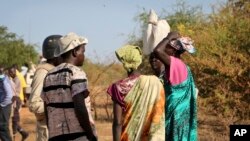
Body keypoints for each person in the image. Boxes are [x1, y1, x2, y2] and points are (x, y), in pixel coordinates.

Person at [41, 32, 97, 141]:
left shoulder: (49, 75)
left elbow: (47, 108)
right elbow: (80, 107)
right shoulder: (76, 72)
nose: (84, 55)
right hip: (78, 136)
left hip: (55, 137)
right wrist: (90, 134)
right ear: (75, 51)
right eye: (83, 51)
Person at [107, 45, 165, 141]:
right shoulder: (155, 82)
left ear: (124, 62)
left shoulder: (119, 87)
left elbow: (117, 122)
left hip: (128, 137)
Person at [153, 31, 197, 141]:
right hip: (179, 113)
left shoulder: (176, 64)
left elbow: (157, 51)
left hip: (176, 114)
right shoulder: (179, 66)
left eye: (166, 47)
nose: (164, 50)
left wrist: (168, 37)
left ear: (173, 50)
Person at [28, 35, 63, 141]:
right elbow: (34, 104)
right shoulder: (43, 72)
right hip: (48, 131)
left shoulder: (57, 70)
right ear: (57, 55)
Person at [8, 66, 29, 141]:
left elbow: (14, 92)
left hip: (16, 100)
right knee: (13, 119)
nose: (10, 73)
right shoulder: (12, 79)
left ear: (15, 72)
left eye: (11, 72)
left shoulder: (17, 79)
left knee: (14, 119)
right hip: (14, 100)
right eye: (9, 72)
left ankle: (14, 136)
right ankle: (24, 133)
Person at [0, 65, 13, 141]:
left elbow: (9, 95)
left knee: (3, 127)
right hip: (3, 105)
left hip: (4, 106)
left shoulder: (4, 80)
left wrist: (2, 104)